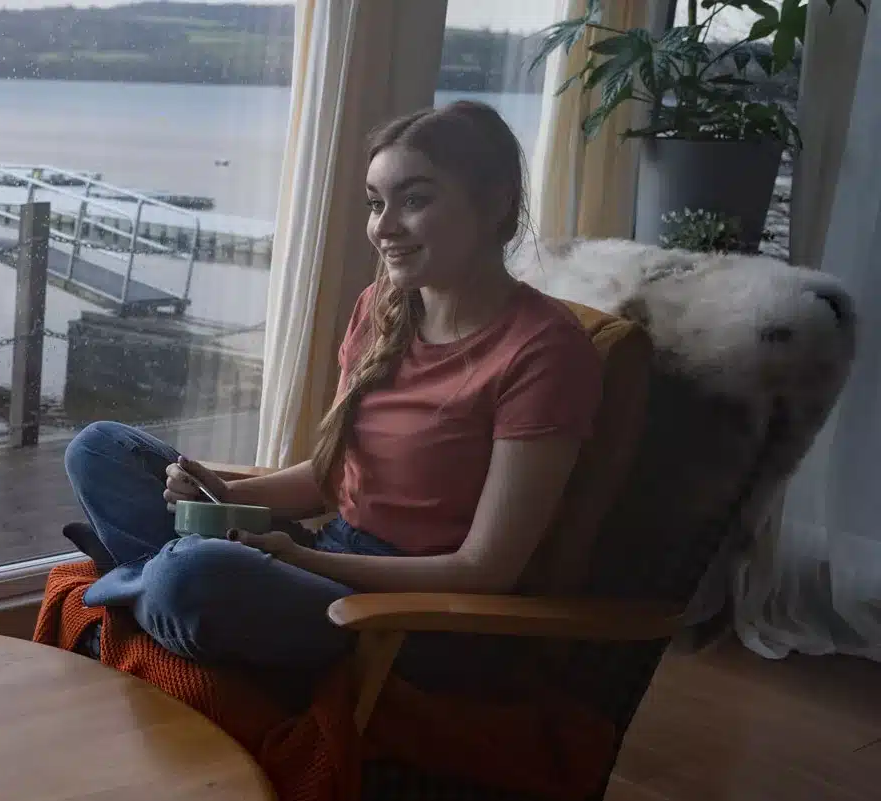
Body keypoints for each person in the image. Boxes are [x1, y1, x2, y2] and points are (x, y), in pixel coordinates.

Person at [62, 100, 602, 691]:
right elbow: (329, 479)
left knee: (190, 576)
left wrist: (301, 560)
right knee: (100, 449)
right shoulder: (380, 309)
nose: (384, 228)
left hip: (414, 617)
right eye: (376, 203)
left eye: (414, 201)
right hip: (330, 556)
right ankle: (145, 580)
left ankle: (129, 580)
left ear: (495, 202)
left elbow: (485, 571)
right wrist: (225, 495)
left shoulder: (544, 350)